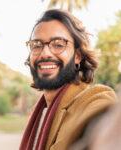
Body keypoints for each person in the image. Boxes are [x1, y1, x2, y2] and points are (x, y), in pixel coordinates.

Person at [19, 9, 117, 150]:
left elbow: (103, 127)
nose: (45, 52)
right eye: (37, 45)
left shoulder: (93, 100)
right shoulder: (39, 114)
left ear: (77, 56)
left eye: (58, 44)